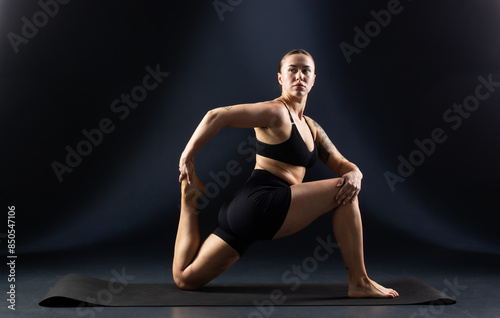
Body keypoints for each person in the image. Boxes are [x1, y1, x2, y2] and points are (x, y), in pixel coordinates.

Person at [174, 49, 399, 298]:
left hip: (242, 213)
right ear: (281, 78)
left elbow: (342, 164)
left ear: (314, 79)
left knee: (186, 278)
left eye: (306, 71)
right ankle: (359, 282)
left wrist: (356, 172)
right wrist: (187, 155)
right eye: (292, 70)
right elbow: (215, 116)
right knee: (344, 193)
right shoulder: (276, 112)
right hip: (261, 203)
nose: (299, 76)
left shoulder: (312, 127)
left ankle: (188, 202)